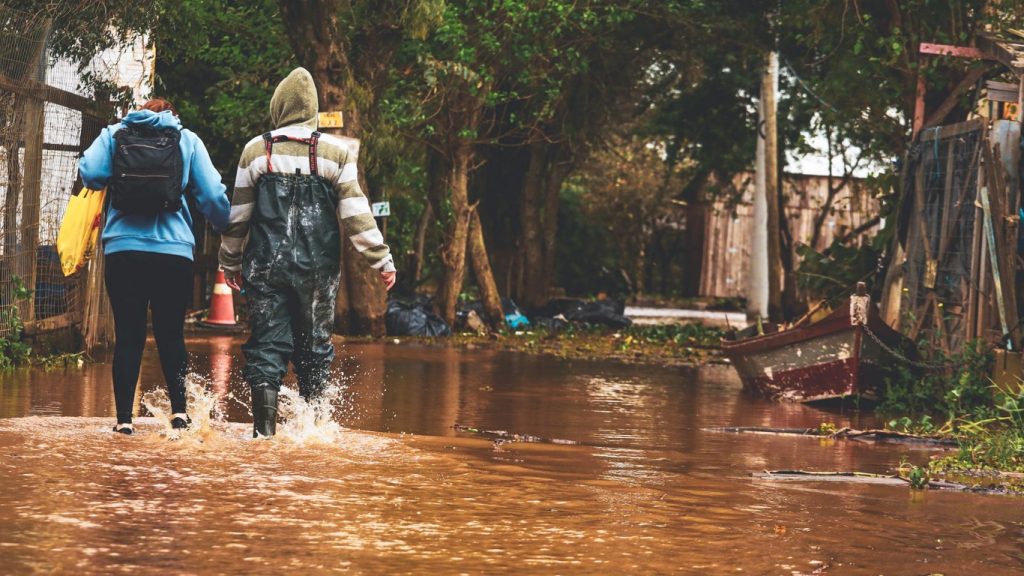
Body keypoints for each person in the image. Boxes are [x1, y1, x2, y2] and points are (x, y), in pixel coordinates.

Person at [219, 67, 396, 438]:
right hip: (318, 272)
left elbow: (238, 216)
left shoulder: (257, 150)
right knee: (315, 349)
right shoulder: (336, 153)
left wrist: (229, 261)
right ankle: (312, 437)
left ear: (279, 106)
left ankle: (264, 437)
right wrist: (381, 258)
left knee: (266, 347)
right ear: (314, 111)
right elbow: (355, 212)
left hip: (266, 268)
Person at [79, 98, 230, 435]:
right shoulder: (186, 139)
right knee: (171, 334)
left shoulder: (116, 133)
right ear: (172, 114)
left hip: (123, 250)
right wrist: (225, 227)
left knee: (128, 336)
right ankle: (179, 415)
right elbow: (212, 195)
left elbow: (89, 173)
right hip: (173, 253)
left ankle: (123, 421)